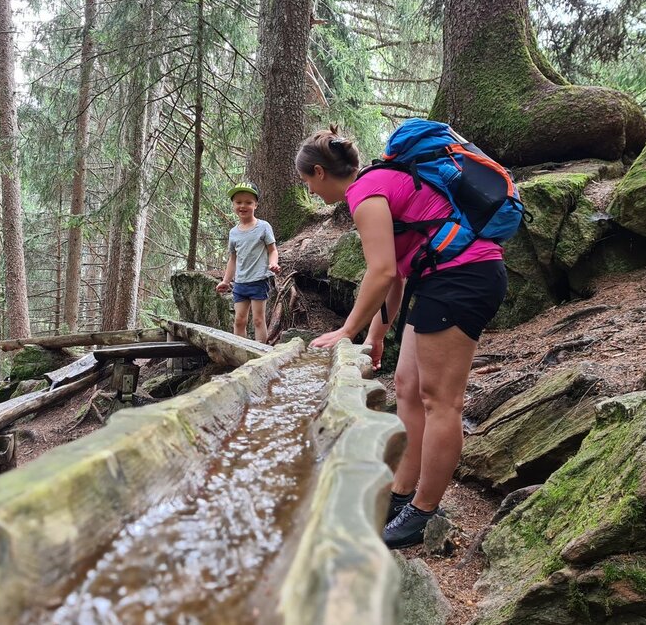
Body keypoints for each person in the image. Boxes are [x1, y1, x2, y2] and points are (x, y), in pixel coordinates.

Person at [296, 127, 507, 549]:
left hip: (463, 278)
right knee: (408, 388)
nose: (310, 192)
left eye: (307, 183)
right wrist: (376, 336)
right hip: (437, 280)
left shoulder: (365, 193)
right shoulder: (379, 185)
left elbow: (381, 273)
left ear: (319, 172)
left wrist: (347, 329)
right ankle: (401, 494)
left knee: (440, 400)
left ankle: (423, 513)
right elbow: (396, 273)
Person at [216, 182, 281, 343]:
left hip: (259, 280)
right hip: (240, 283)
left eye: (248, 202)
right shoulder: (234, 233)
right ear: (233, 205)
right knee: (239, 320)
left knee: (258, 320)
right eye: (238, 202)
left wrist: (273, 264)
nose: (242, 206)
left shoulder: (263, 227)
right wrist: (226, 281)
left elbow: (272, 249)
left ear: (256, 204)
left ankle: (262, 354)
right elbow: (233, 258)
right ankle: (241, 352)